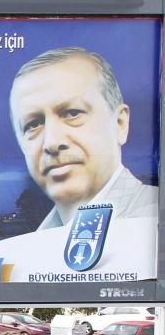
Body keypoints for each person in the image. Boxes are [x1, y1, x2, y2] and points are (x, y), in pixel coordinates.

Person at [9, 47, 157, 231]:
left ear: (120, 124)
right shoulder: (27, 252)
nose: (52, 142)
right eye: (33, 124)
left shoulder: (155, 218)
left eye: (72, 113)